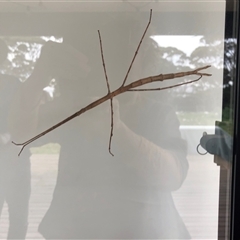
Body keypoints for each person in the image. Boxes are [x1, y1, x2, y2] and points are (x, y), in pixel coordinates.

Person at [10, 11, 190, 239]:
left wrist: (118, 133)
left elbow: (173, 175)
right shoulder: (73, 107)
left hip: (140, 230)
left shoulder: (154, 110)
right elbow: (21, 134)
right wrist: (39, 77)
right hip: (85, 228)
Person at [0, 39, 31, 239]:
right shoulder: (14, 85)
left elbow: (25, 120)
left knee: (19, 218)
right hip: (15, 160)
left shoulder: (14, 85)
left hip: (15, 159)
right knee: (19, 219)